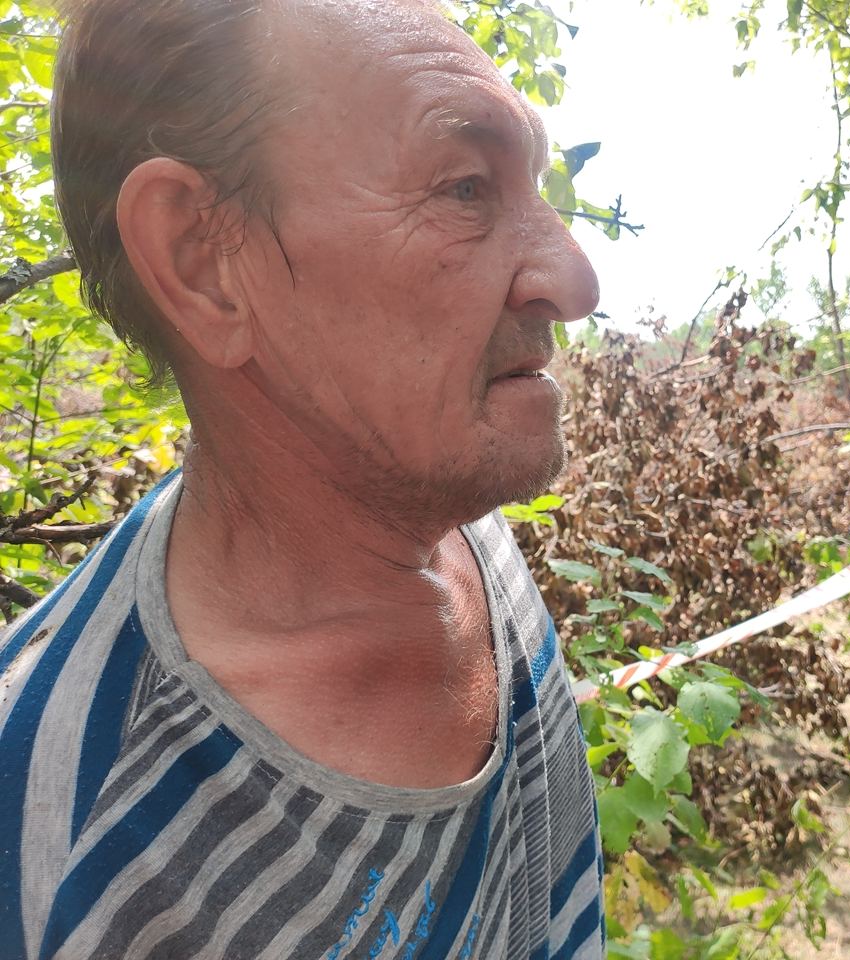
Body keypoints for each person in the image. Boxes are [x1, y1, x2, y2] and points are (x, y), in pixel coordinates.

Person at [0, 1, 605, 957]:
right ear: (204, 263)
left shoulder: (447, 514)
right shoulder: (60, 852)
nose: (573, 281)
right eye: (462, 189)